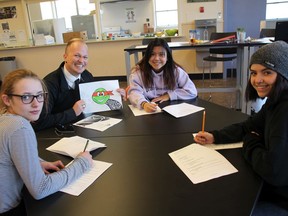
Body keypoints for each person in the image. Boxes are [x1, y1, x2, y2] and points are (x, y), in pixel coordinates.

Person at [194, 41, 288, 215]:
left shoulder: (284, 111)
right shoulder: (275, 100)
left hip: (280, 201)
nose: (257, 80)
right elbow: (250, 126)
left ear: (282, 74)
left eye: (266, 72)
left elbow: (273, 171)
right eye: (253, 73)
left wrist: (250, 142)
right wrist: (215, 136)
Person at [0, 69, 93, 215]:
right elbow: (40, 189)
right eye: (26, 97)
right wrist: (82, 163)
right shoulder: (20, 127)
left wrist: (36, 162)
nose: (36, 104)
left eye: (39, 96)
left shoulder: (5, 118)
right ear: (7, 100)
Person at [32, 38, 94, 131]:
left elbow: (95, 101)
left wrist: (114, 95)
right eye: (77, 55)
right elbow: (39, 121)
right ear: (65, 57)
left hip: (85, 128)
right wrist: (72, 112)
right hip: (57, 134)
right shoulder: (49, 84)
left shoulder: (87, 76)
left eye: (85, 57)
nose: (81, 61)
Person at [127, 38, 197, 113]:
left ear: (167, 57)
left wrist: (169, 95)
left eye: (161, 54)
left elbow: (192, 91)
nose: (157, 58)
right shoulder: (138, 74)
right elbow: (133, 93)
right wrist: (144, 103)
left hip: (172, 108)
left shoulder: (176, 72)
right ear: (147, 57)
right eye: (152, 54)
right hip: (148, 109)